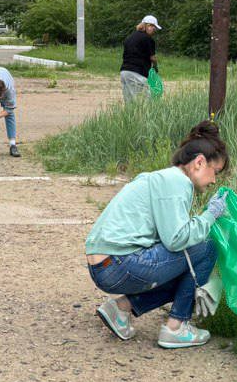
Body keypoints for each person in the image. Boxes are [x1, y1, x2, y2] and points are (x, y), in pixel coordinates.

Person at [84, 120, 228, 349]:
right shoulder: (178, 183)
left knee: (187, 268)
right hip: (120, 264)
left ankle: (122, 308)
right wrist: (210, 215)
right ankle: (176, 327)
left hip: (103, 265)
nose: (213, 181)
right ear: (200, 162)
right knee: (206, 249)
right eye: (215, 172)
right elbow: (176, 239)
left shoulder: (161, 178)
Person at [120, 14, 161, 103]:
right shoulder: (148, 39)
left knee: (130, 102)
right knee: (150, 98)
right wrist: (155, 67)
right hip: (137, 72)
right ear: (145, 25)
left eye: (155, 27)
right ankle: (147, 116)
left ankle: (130, 116)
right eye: (152, 26)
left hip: (124, 72)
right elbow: (153, 58)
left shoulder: (129, 38)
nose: (154, 29)